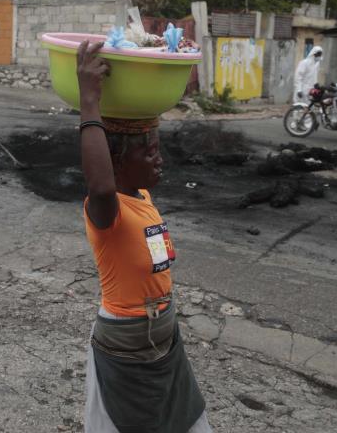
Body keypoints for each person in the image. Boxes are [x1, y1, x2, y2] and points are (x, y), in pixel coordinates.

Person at [76, 40, 211, 433]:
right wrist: (89, 101)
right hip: (125, 348)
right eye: (149, 151)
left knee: (185, 422)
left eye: (157, 149)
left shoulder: (144, 199)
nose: (159, 159)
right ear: (117, 161)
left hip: (165, 342)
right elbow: (100, 186)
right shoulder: (106, 211)